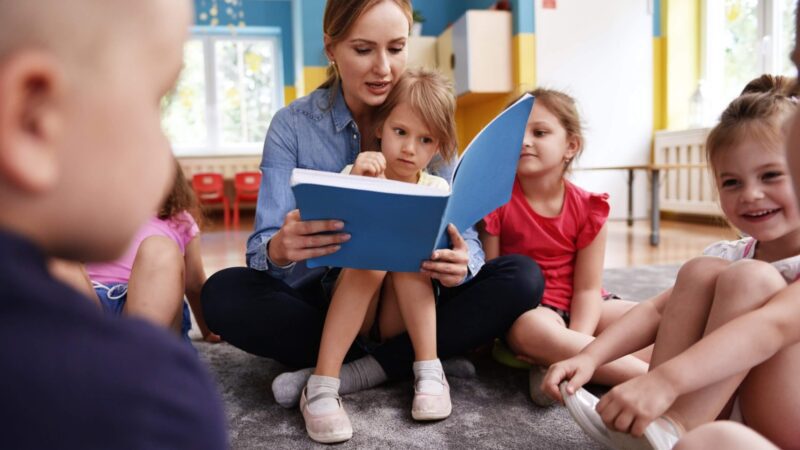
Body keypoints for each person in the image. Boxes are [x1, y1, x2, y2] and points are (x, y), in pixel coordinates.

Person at [201, 0, 543, 418]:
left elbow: (461, 228)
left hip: (415, 296)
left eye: (396, 49)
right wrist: (281, 248)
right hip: (328, 304)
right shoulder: (292, 125)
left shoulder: (427, 115)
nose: (383, 67)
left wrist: (462, 261)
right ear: (331, 49)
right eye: (363, 50)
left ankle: (358, 371)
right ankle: (406, 360)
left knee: (521, 277)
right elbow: (261, 253)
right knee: (223, 294)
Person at [0, 0, 226, 447]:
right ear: (34, 120)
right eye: (153, 101)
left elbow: (196, 283)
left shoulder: (172, 227)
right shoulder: (158, 405)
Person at [543, 75, 800, 449]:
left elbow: (769, 328)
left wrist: (663, 381)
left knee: (751, 281)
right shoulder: (734, 255)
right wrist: (589, 357)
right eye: (731, 182)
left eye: (771, 175)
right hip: (731, 410)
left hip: (785, 427)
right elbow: (656, 312)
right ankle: (667, 426)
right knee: (699, 271)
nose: (751, 194)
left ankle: (674, 425)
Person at [301, 68, 458, 443]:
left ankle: (429, 369)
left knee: (412, 257)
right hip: (355, 304)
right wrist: (357, 181)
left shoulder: (436, 187)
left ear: (435, 148)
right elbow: (335, 238)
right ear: (380, 128)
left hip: (399, 316)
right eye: (400, 132)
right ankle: (321, 385)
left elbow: (445, 248)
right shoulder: (355, 171)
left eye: (424, 140)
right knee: (371, 260)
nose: (409, 149)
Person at [480, 88, 648, 406]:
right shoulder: (497, 200)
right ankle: (647, 377)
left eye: (540, 132)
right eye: (516, 132)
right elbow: (493, 279)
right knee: (531, 332)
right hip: (534, 313)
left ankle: (561, 358)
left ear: (570, 146)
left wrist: (579, 342)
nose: (524, 141)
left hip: (585, 306)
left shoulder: (589, 207)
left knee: (656, 323)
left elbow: (587, 290)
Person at [85, 159, 221, 343]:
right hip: (88, 300)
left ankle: (141, 354)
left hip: (148, 304)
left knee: (159, 250)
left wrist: (208, 329)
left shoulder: (180, 220)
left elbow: (195, 284)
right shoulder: (95, 213)